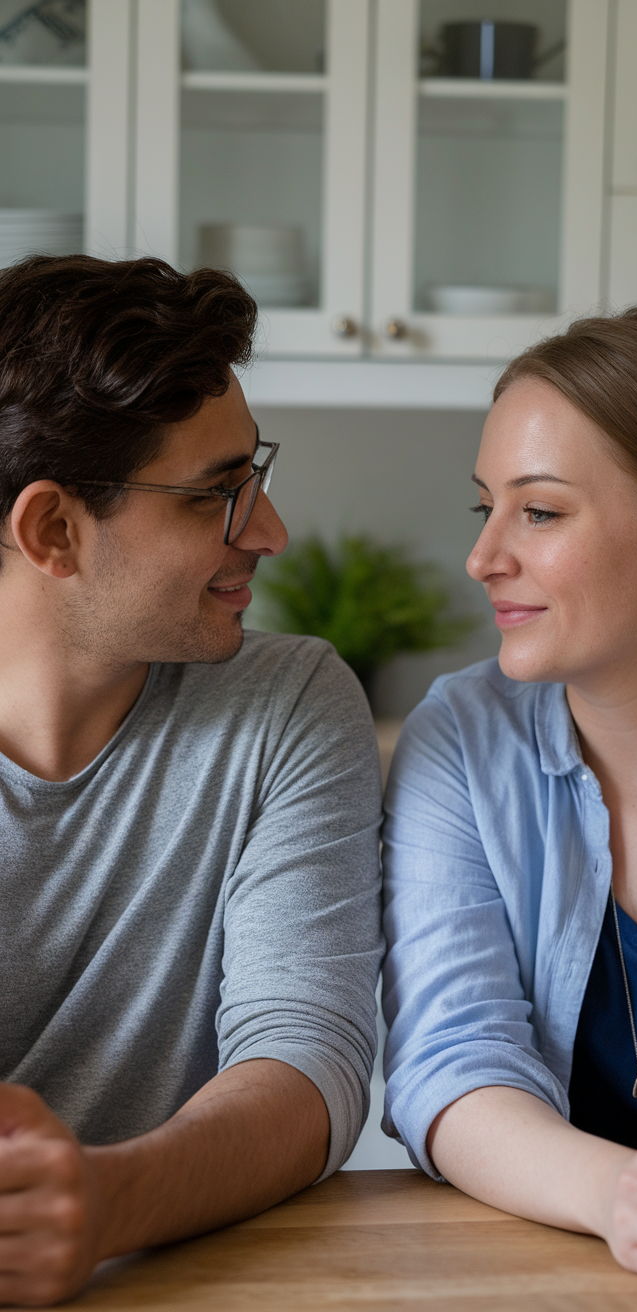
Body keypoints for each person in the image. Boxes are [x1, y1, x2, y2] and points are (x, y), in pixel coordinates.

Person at [0, 254, 382, 1306]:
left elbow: (310, 1065)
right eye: (216, 495)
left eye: (252, 478)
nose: (268, 531)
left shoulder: (288, 704)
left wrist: (104, 1204)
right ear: (53, 532)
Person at [382, 306, 637, 1283]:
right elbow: (449, 1063)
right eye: (483, 507)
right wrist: (621, 1197)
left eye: (538, 511)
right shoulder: (462, 736)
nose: (483, 556)